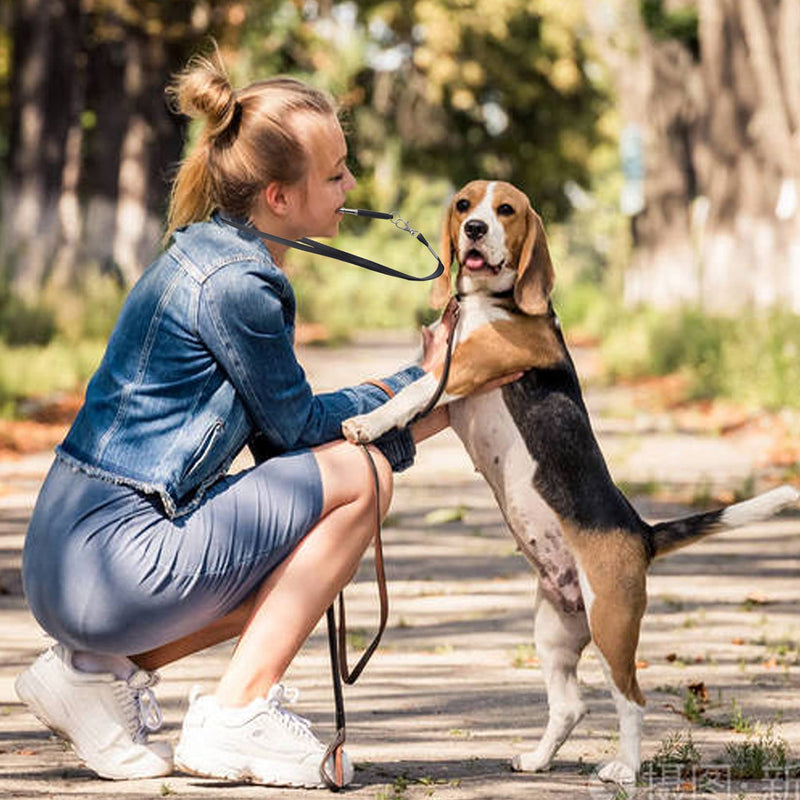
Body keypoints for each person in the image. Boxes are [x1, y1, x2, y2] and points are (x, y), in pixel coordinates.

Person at [14, 52, 510, 789]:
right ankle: (236, 715)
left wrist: (414, 401)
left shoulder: (206, 253)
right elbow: (298, 432)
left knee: (307, 528)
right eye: (336, 174)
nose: (351, 186)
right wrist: (426, 379)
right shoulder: (240, 285)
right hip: (110, 562)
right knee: (361, 477)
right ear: (278, 196)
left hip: (69, 554)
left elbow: (278, 450)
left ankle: (91, 672)